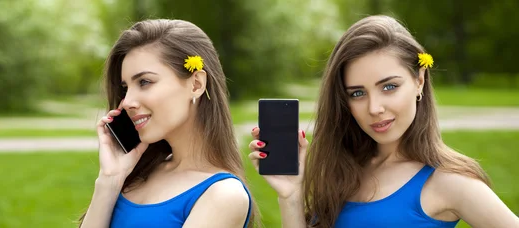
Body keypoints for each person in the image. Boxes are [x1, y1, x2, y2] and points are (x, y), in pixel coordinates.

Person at [248, 15, 519, 228]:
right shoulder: (341, 170)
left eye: (388, 87)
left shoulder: (451, 181)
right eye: (357, 93)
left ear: (419, 80)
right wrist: (291, 195)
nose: (374, 108)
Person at [78, 19, 258, 228]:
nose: (127, 102)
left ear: (196, 84)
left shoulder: (224, 195)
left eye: (144, 82)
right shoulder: (134, 175)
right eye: (126, 88)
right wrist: (109, 179)